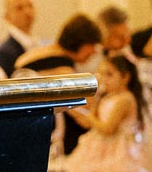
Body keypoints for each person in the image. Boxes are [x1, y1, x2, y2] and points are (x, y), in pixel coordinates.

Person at [12, 13, 102, 155]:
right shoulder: (62, 68)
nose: (94, 51)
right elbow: (83, 117)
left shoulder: (40, 52)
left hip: (21, 119)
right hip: (41, 128)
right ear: (82, 43)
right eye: (92, 45)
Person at [0, 0, 37, 77]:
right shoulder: (4, 53)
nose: (27, 11)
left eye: (30, 5)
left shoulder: (36, 44)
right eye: (19, 8)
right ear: (7, 17)